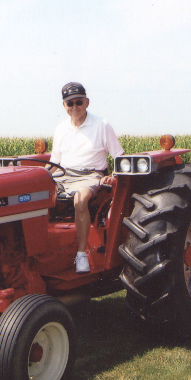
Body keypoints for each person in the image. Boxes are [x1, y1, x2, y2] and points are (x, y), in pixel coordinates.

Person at [49, 82, 124, 273]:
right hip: (63, 174)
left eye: (78, 102)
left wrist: (114, 175)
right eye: (70, 103)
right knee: (34, 198)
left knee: (80, 200)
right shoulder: (60, 129)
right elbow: (54, 161)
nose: (75, 107)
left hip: (90, 174)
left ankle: (81, 255)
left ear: (87, 102)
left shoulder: (102, 125)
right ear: (64, 106)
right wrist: (38, 177)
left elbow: (119, 157)